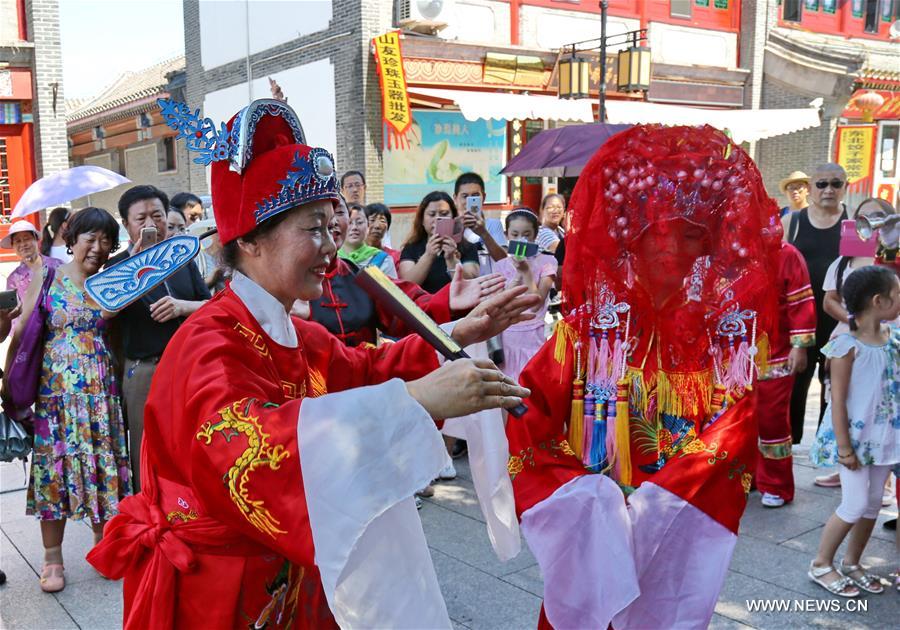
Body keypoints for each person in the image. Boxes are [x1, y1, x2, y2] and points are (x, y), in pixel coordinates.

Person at [87, 98, 537, 628]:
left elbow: (366, 368)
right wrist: (415, 400)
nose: (331, 247)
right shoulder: (208, 342)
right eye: (313, 229)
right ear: (250, 240)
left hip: (286, 571)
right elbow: (250, 450)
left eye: (331, 226)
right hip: (219, 591)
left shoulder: (292, 331)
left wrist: (456, 334)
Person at [505, 124, 779, 629]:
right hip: (592, 541)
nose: (672, 251)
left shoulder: (723, 346)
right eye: (658, 235)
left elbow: (733, 436)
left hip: (674, 540)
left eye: (690, 236)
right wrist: (581, 500)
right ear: (631, 239)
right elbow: (527, 409)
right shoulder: (587, 332)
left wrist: (656, 508)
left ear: (708, 247)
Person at [8, 207, 131, 594]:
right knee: (54, 472)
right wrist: (10, 387)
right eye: (89, 239)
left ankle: (104, 548)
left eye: (105, 240)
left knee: (103, 467)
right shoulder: (47, 277)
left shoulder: (112, 282)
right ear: (71, 240)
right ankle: (52, 559)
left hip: (100, 392)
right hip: (56, 394)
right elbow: (23, 329)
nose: (97, 247)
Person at [106, 185, 211, 492]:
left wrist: (183, 306)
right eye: (141, 218)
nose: (151, 223)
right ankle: (151, 522)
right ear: (127, 225)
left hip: (189, 369)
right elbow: (106, 312)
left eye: (157, 215)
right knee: (146, 452)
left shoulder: (182, 260)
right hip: (144, 371)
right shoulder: (116, 268)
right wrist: (133, 268)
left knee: (192, 446)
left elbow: (212, 307)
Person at [808, 265, 900, 597]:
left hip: (885, 440)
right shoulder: (846, 347)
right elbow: (838, 401)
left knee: (874, 504)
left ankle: (852, 562)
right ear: (880, 301)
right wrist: (844, 448)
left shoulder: (895, 340)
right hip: (855, 443)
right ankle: (821, 563)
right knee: (855, 503)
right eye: (898, 294)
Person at [310, 195, 504, 348]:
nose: (333, 221)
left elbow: (409, 305)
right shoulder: (287, 285)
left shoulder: (362, 277)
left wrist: (447, 301)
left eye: (339, 211)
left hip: (363, 391)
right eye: (321, 213)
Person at [813, 197, 896, 489]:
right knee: (843, 401)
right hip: (849, 345)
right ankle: (846, 465)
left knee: (883, 405)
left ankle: (883, 478)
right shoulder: (843, 262)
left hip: (888, 347)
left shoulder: (893, 258)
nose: (871, 222)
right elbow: (829, 300)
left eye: (878, 216)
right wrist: (854, 322)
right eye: (863, 216)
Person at [784, 163, 848, 444]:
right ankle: (788, 445)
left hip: (837, 319)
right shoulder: (793, 223)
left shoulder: (853, 225)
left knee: (834, 389)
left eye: (836, 184)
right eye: (822, 184)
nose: (829, 190)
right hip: (798, 323)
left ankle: (825, 450)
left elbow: (860, 272)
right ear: (810, 189)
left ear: (845, 187)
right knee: (793, 387)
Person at [755, 238, 817, 508]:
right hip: (735, 358)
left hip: (777, 353)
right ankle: (748, 478)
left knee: (772, 422)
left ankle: (776, 485)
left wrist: (799, 347)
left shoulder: (787, 254)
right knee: (739, 423)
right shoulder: (728, 250)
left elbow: (801, 303)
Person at [493, 209, 556, 382]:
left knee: (531, 386)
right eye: (515, 234)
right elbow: (498, 304)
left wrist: (526, 272)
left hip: (534, 335)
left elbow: (536, 303)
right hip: (507, 338)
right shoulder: (500, 266)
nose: (521, 239)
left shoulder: (547, 262)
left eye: (527, 234)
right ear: (507, 235)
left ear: (535, 235)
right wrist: (515, 277)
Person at [399, 191, 480, 293]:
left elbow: (470, 284)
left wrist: (452, 260)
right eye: (432, 214)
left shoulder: (467, 247)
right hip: (422, 307)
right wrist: (428, 255)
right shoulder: (411, 248)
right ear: (422, 220)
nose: (437, 219)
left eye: (444, 214)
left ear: (454, 218)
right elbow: (408, 285)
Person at [2, 221, 62, 319]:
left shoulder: (57, 265)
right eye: (18, 241)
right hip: (33, 330)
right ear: (13, 246)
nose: (23, 244)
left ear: (36, 239)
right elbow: (13, 315)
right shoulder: (13, 279)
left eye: (27, 239)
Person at [454, 172, 507, 262]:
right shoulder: (451, 226)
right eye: (465, 196)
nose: (469, 201)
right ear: (455, 198)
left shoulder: (493, 224)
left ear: (484, 197)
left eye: (475, 196)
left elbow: (504, 261)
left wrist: (484, 233)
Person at [339, 204, 397, 278]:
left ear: (368, 226)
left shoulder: (384, 260)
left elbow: (391, 289)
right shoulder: (331, 259)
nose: (354, 227)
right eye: (349, 222)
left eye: (359, 222)